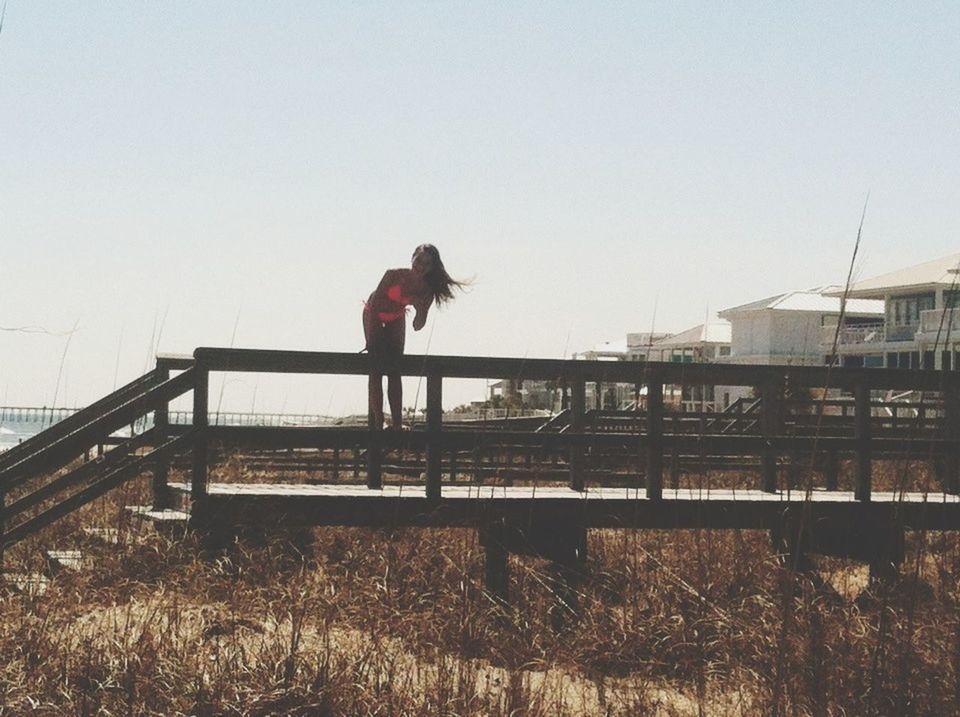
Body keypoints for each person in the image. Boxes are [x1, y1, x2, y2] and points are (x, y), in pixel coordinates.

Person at [363, 244, 465, 429]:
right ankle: (379, 423)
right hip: (374, 313)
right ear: (412, 258)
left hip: (396, 315)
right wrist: (406, 300)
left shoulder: (427, 291)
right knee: (376, 368)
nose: (421, 266)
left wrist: (421, 310)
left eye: (427, 263)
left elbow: (417, 326)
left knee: (395, 368)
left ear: (432, 268)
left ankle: (397, 424)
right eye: (418, 260)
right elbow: (376, 305)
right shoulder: (392, 275)